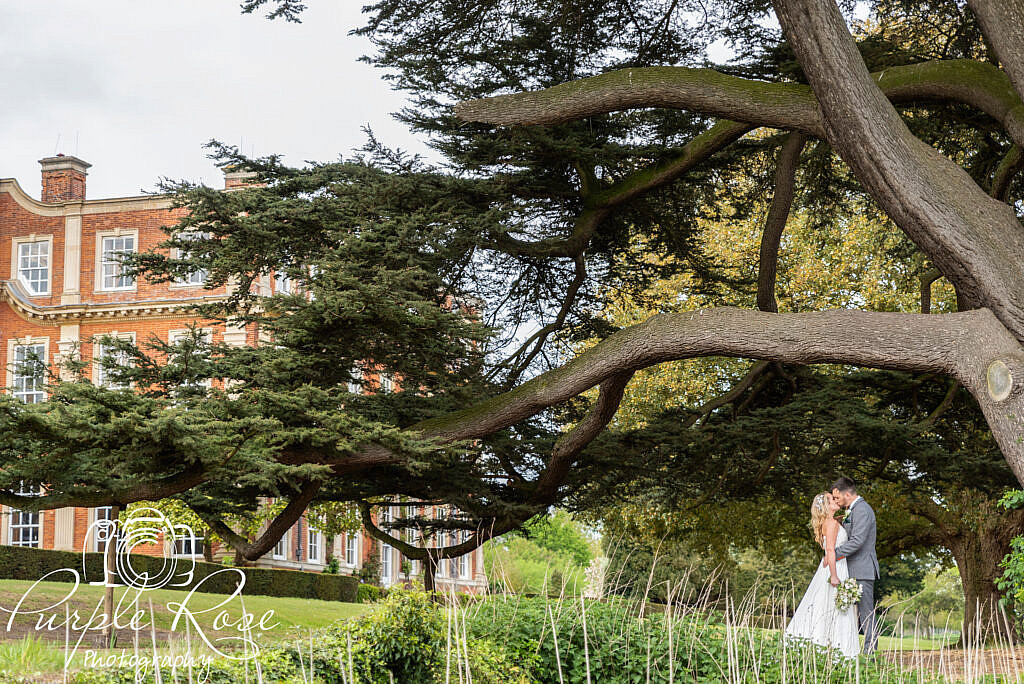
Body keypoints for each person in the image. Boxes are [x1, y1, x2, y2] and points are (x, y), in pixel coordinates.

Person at [784, 491, 860, 657]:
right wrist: (834, 575)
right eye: (832, 499)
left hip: (831, 565)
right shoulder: (831, 523)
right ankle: (839, 649)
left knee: (826, 605)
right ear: (827, 505)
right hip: (835, 567)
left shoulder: (829, 522)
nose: (836, 500)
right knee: (834, 607)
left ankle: (824, 646)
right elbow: (831, 551)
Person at [832, 476, 880, 655]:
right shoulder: (854, 510)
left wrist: (833, 555)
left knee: (866, 615)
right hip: (853, 569)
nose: (836, 501)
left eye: (837, 498)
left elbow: (858, 540)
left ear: (847, 494)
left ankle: (870, 655)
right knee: (853, 615)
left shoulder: (862, 510)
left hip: (863, 570)